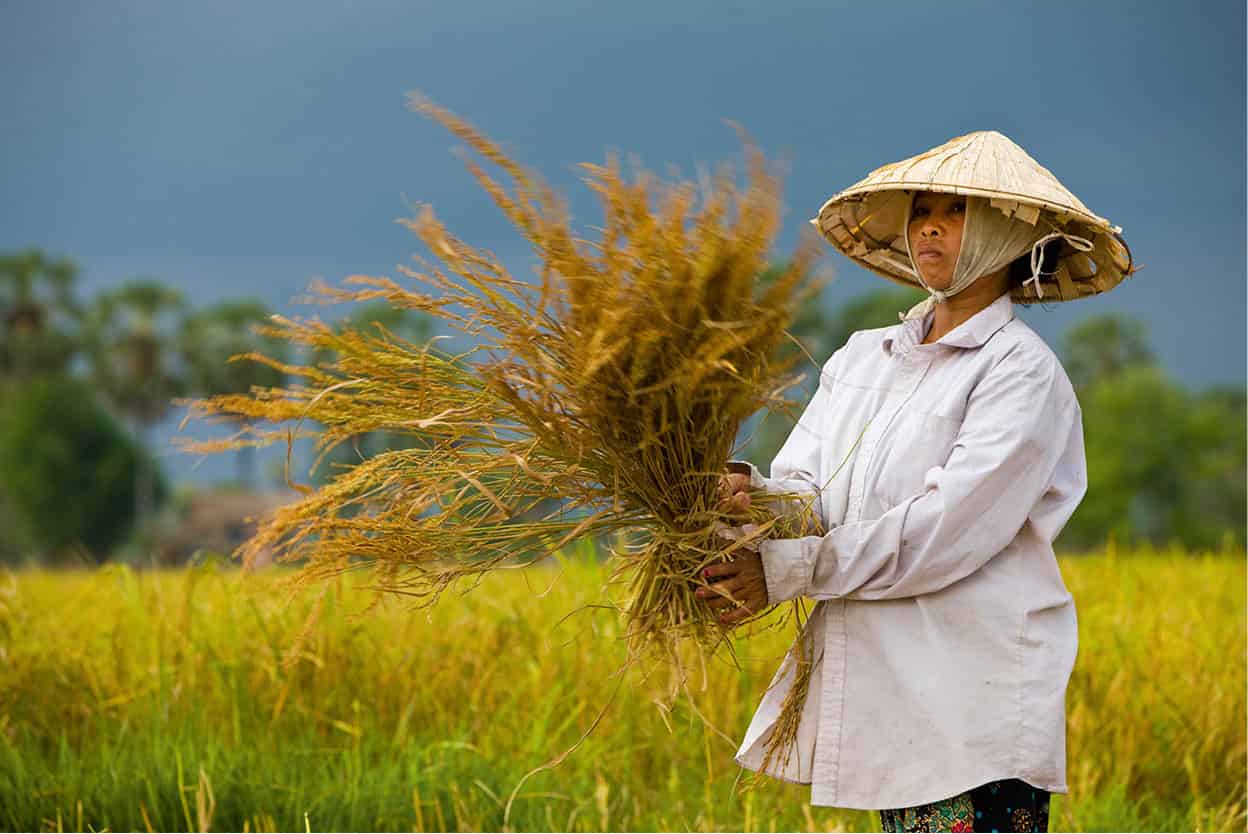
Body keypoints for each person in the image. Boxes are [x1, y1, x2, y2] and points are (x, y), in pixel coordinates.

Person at [698, 131, 1135, 832]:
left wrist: (781, 571)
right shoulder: (863, 357)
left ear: (1009, 233)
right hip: (887, 697)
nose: (930, 224)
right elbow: (810, 493)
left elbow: (942, 532)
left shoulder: (1017, 372)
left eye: (957, 209)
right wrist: (745, 494)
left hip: (970, 700)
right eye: (922, 209)